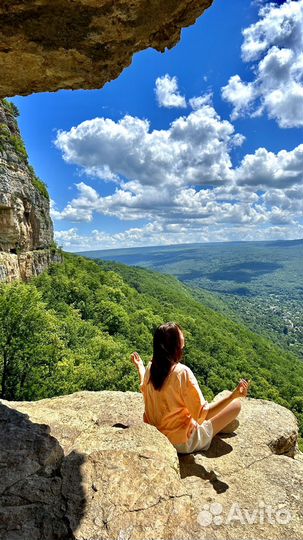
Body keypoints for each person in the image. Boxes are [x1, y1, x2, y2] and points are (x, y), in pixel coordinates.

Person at [130, 321, 250, 454]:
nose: (183, 335)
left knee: (213, 410)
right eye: (180, 335)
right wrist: (234, 395)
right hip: (181, 442)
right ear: (175, 344)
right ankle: (216, 428)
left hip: (156, 435)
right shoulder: (182, 373)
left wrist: (139, 366)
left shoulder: (152, 367)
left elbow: (144, 387)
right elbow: (202, 415)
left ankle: (219, 424)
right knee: (236, 405)